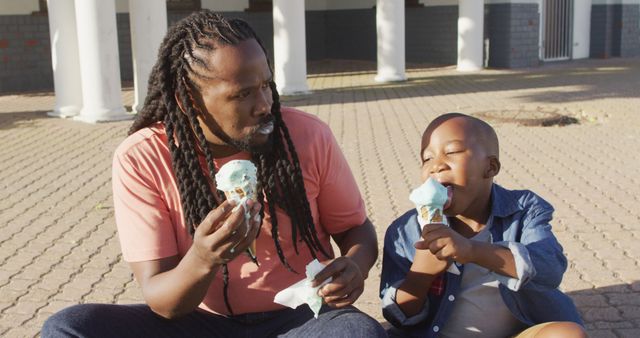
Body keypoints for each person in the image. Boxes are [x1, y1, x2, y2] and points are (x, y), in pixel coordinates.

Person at [42, 10, 385, 338]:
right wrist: (203, 259)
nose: (265, 104)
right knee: (70, 327)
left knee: (358, 332)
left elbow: (356, 230)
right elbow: (163, 301)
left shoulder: (306, 136)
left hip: (303, 317)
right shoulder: (143, 157)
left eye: (266, 85)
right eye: (243, 94)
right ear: (186, 100)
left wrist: (355, 266)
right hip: (197, 322)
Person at [379, 113, 587, 338]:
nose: (436, 166)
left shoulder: (524, 209)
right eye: (427, 159)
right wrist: (420, 276)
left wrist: (471, 250)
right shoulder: (405, 232)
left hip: (518, 333)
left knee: (567, 334)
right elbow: (397, 316)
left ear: (490, 167)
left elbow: (549, 268)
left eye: (452, 152)